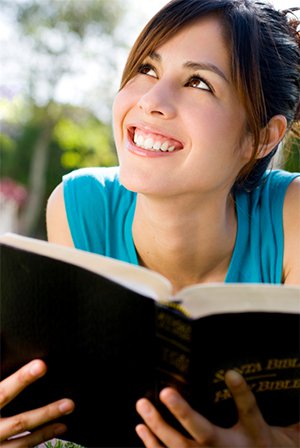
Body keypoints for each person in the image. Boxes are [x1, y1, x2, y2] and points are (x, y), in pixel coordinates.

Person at [1, 0, 300, 446]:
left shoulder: (292, 213)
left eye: (199, 82)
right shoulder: (80, 206)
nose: (152, 101)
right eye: (147, 68)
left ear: (261, 137)